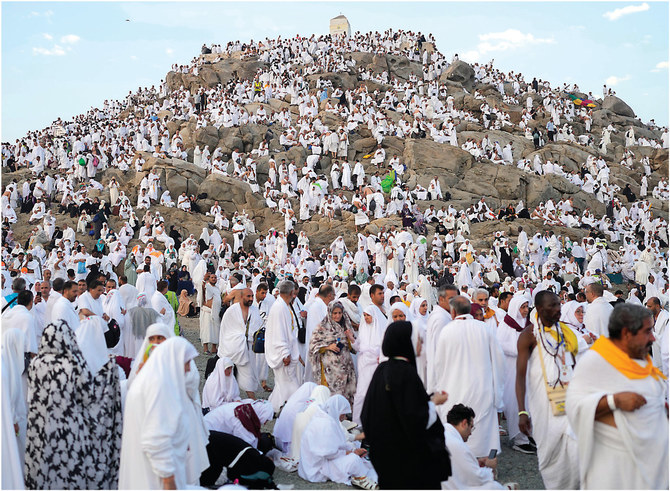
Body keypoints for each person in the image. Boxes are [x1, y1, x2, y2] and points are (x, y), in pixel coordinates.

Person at [566, 304, 668, 489]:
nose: (653, 338)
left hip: (653, 465)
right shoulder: (596, 360)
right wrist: (614, 401)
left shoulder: (641, 356)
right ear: (627, 334)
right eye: (647, 331)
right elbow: (573, 407)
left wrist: (661, 407)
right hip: (616, 468)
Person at [25, 319, 122, 489]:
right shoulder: (73, 363)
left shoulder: (35, 364)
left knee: (41, 463)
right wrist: (109, 373)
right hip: (67, 430)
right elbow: (88, 394)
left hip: (39, 426)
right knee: (65, 466)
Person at [361, 321, 451, 489]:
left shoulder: (382, 370)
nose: (421, 343)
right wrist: (434, 403)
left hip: (384, 457)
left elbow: (369, 414)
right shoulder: (406, 372)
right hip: (406, 459)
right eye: (417, 339)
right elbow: (415, 418)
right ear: (406, 342)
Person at [515, 291, 579, 489]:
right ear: (541, 309)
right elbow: (520, 376)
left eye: (559, 305)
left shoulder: (566, 332)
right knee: (550, 456)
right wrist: (522, 412)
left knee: (576, 450)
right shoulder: (528, 336)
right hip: (543, 404)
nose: (559, 309)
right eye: (553, 306)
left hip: (569, 400)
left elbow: (576, 363)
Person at [119, 337, 201, 489]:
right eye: (187, 363)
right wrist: (168, 480)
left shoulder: (152, 382)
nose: (189, 369)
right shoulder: (158, 388)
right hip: (157, 478)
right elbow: (155, 439)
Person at [433, 295, 504, 458]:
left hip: (454, 390)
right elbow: (499, 361)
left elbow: (439, 365)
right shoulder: (484, 329)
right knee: (484, 435)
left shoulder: (447, 331)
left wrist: (438, 390)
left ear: (453, 313)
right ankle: (488, 469)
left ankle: (462, 469)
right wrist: (497, 392)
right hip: (483, 389)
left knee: (459, 432)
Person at [298, 394, 378, 489]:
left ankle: (361, 474)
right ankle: (360, 478)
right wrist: (352, 453)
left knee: (355, 449)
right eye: (343, 414)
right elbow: (329, 453)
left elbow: (338, 444)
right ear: (337, 410)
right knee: (354, 460)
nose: (343, 417)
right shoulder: (325, 424)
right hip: (317, 470)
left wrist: (352, 450)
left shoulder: (324, 418)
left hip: (315, 464)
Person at [496, 295, 535, 453]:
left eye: (527, 307)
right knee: (514, 403)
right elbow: (500, 345)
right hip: (512, 371)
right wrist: (522, 348)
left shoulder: (528, 325)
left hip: (528, 369)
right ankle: (519, 438)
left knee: (529, 401)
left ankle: (528, 434)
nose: (525, 311)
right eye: (522, 307)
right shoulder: (506, 325)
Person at [443, 404, 508, 490]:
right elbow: (476, 479)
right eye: (471, 427)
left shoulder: (441, 433)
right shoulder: (457, 444)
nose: (470, 433)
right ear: (464, 423)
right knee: (493, 486)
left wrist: (475, 463)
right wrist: (489, 468)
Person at [309, 300, 357, 405]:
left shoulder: (346, 325)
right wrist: (328, 346)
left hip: (345, 365)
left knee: (346, 391)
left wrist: (350, 338)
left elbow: (354, 347)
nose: (337, 316)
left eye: (340, 313)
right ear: (330, 313)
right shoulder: (322, 327)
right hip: (331, 369)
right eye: (335, 313)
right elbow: (313, 345)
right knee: (333, 394)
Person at [265, 280, 302, 413]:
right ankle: (292, 408)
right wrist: (285, 353)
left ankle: (274, 407)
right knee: (288, 382)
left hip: (287, 351)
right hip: (282, 354)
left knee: (282, 383)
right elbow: (279, 333)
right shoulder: (279, 308)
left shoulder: (283, 306)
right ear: (292, 293)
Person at [218, 288, 261, 399]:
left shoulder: (255, 311)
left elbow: (259, 328)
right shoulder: (231, 311)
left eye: (252, 296)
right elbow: (225, 330)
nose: (251, 299)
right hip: (232, 347)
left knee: (248, 376)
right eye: (248, 296)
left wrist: (250, 337)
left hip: (247, 348)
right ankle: (223, 398)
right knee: (226, 375)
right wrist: (238, 338)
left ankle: (252, 400)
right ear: (241, 297)